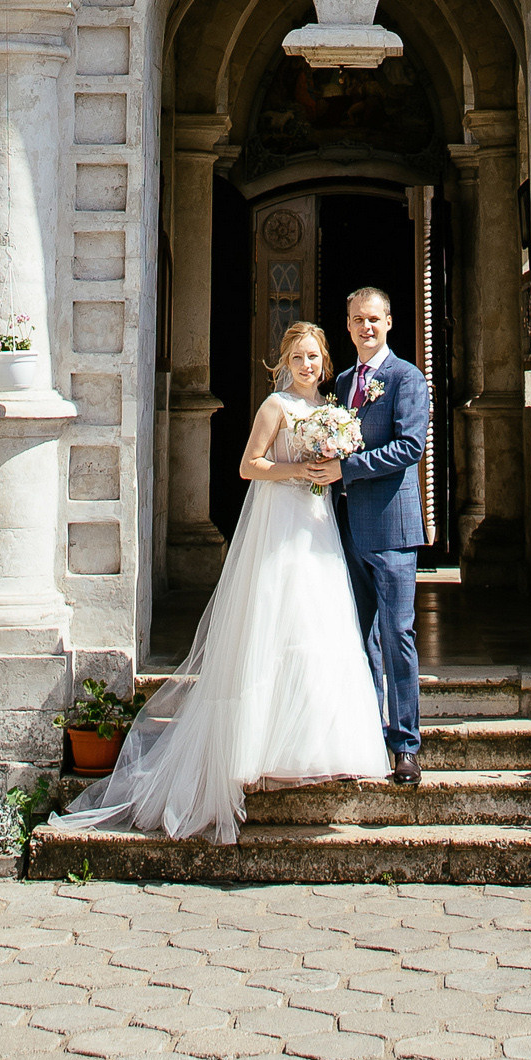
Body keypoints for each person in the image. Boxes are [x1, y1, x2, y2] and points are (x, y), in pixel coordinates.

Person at [61, 319, 389, 844]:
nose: (308, 365)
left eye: (315, 357)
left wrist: (331, 463)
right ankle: (254, 749)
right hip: (279, 522)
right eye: (299, 357)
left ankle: (304, 749)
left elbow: (332, 465)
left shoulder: (330, 411)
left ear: (325, 361)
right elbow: (248, 466)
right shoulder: (275, 407)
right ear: (284, 362)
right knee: (276, 623)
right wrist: (298, 471)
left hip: (317, 527)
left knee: (317, 627)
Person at [331, 283, 429, 784]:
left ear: (388, 322)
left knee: (397, 635)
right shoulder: (345, 381)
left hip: (392, 528)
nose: (365, 328)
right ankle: (365, 734)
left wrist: (346, 469)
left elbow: (409, 447)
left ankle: (406, 745)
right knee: (358, 637)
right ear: (347, 326)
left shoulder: (407, 379)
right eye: (356, 320)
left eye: (373, 319)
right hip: (349, 529)